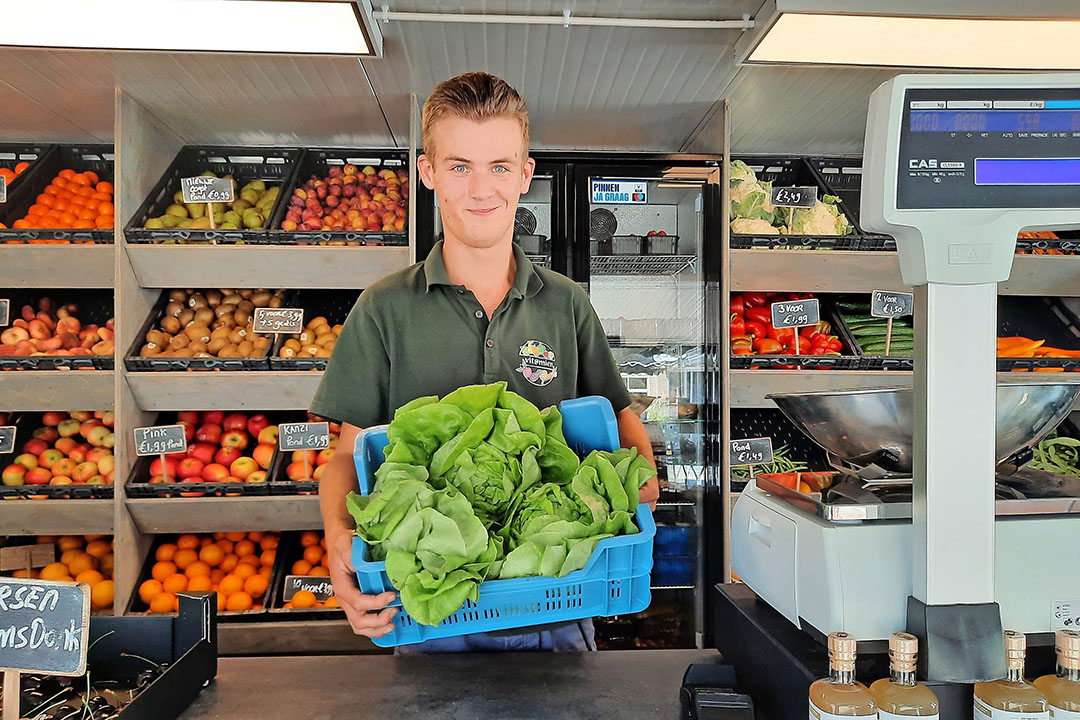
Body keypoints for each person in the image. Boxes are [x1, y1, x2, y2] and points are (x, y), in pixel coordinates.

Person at [310, 71, 658, 652]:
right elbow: (347, 454)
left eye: (499, 167)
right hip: (429, 611)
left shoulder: (567, 303)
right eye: (459, 166)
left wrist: (634, 490)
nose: (481, 189)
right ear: (428, 172)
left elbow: (624, 425)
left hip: (559, 607)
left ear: (524, 175)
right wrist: (338, 539)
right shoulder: (382, 309)